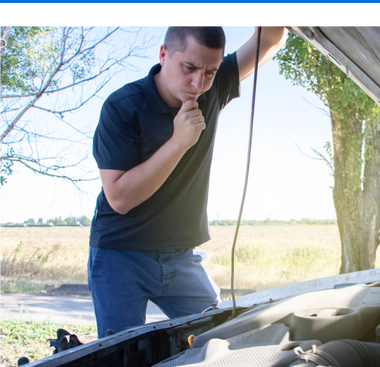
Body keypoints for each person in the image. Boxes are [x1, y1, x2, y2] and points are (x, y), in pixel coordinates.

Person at [88, 23, 287, 338]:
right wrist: (179, 141)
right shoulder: (122, 108)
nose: (198, 83)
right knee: (119, 360)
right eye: (189, 68)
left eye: (210, 72)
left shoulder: (213, 86)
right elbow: (119, 198)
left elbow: (270, 38)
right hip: (120, 256)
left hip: (182, 256)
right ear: (164, 54)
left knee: (221, 338)